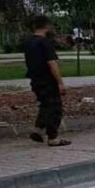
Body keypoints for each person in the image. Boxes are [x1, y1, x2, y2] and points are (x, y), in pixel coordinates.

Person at [22, 15, 69, 146]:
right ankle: (53, 137)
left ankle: (37, 130)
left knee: (45, 105)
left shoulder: (28, 42)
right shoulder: (45, 42)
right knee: (55, 107)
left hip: (35, 79)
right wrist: (60, 82)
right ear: (47, 26)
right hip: (48, 79)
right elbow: (51, 64)